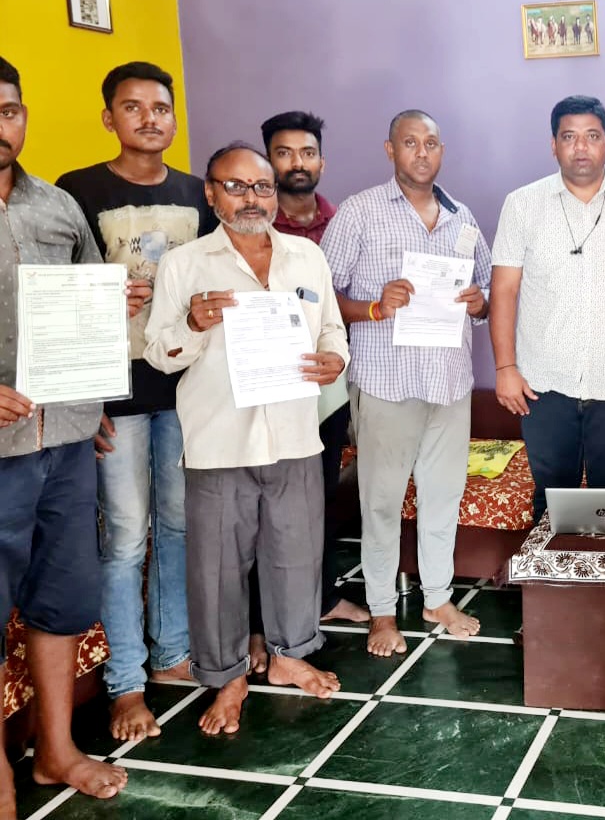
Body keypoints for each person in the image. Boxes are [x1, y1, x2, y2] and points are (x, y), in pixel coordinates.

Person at [144, 143, 347, 735]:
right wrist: (193, 324)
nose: (251, 198)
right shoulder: (184, 265)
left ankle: (288, 656)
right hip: (220, 438)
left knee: (296, 553)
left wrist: (334, 358)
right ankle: (227, 675)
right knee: (217, 567)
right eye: (235, 186)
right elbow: (159, 353)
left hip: (294, 431)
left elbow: (332, 328)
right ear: (211, 193)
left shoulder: (306, 256)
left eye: (261, 186)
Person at [55, 61, 215, 744]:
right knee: (123, 538)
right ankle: (126, 680)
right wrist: (81, 397)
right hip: (114, 393)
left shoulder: (197, 194)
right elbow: (53, 297)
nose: (150, 118)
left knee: (179, 525)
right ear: (108, 117)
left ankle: (172, 651)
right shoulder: (75, 191)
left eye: (161, 107)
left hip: (185, 389)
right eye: (133, 107)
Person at [1, 55, 137, 812]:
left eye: (9, 111)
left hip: (67, 441)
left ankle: (55, 750)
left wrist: (95, 395)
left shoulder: (55, 207)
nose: (2, 127)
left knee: (61, 597)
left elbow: (87, 306)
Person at [321, 110, 492, 657]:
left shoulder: (462, 218)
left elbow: (486, 293)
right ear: (390, 149)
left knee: (443, 497)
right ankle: (381, 611)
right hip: (386, 384)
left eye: (431, 143)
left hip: (449, 384)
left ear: (442, 151)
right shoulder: (360, 212)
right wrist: (374, 307)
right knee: (381, 503)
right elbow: (321, 296)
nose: (422, 152)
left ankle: (438, 599)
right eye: (410, 142)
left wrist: (478, 302)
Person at [490, 95, 605, 521]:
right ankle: (551, 568)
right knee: (551, 504)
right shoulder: (522, 204)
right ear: (553, 145)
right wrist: (505, 368)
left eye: (591, 136)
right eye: (569, 137)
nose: (580, 147)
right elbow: (504, 291)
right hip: (543, 386)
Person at [261, 110, 367, 633]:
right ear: (269, 162)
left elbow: (340, 303)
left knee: (319, 495)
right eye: (284, 153)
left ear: (321, 161)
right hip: (263, 385)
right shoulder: (249, 223)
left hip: (326, 384)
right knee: (265, 499)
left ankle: (322, 597)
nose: (297, 163)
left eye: (307, 152)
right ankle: (262, 618)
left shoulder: (343, 222)